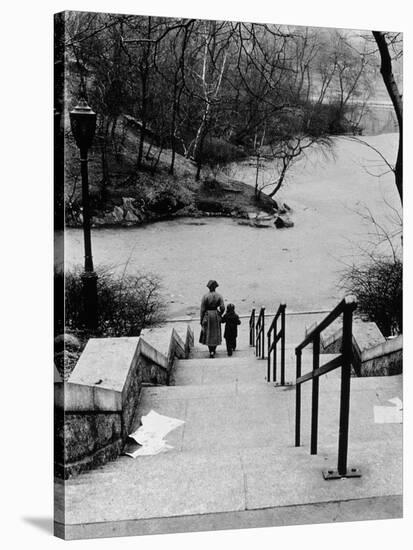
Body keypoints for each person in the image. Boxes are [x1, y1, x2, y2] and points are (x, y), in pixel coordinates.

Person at [199, 280, 225, 358]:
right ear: (215, 287)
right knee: (216, 333)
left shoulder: (205, 296)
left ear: (209, 287)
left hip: (208, 315)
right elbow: (223, 307)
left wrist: (201, 319)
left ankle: (211, 351)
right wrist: (220, 314)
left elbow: (202, 309)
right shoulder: (219, 296)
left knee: (208, 333)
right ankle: (214, 349)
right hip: (216, 315)